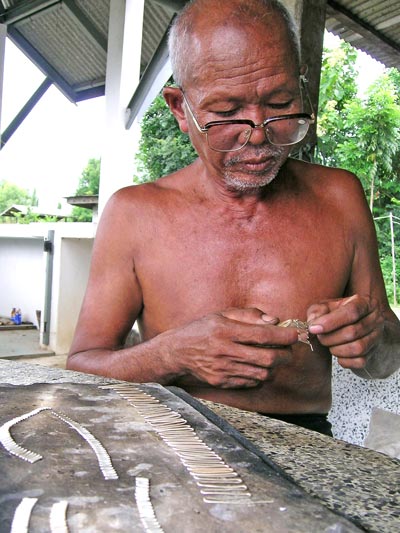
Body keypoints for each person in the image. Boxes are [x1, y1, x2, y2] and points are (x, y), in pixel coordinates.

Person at [67, 0, 400, 435]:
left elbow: (386, 356)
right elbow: (81, 368)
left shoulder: (339, 197)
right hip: (169, 435)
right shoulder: (135, 214)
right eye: (226, 113)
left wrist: (373, 343)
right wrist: (172, 355)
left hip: (304, 443)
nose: (258, 135)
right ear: (179, 109)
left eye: (280, 103)